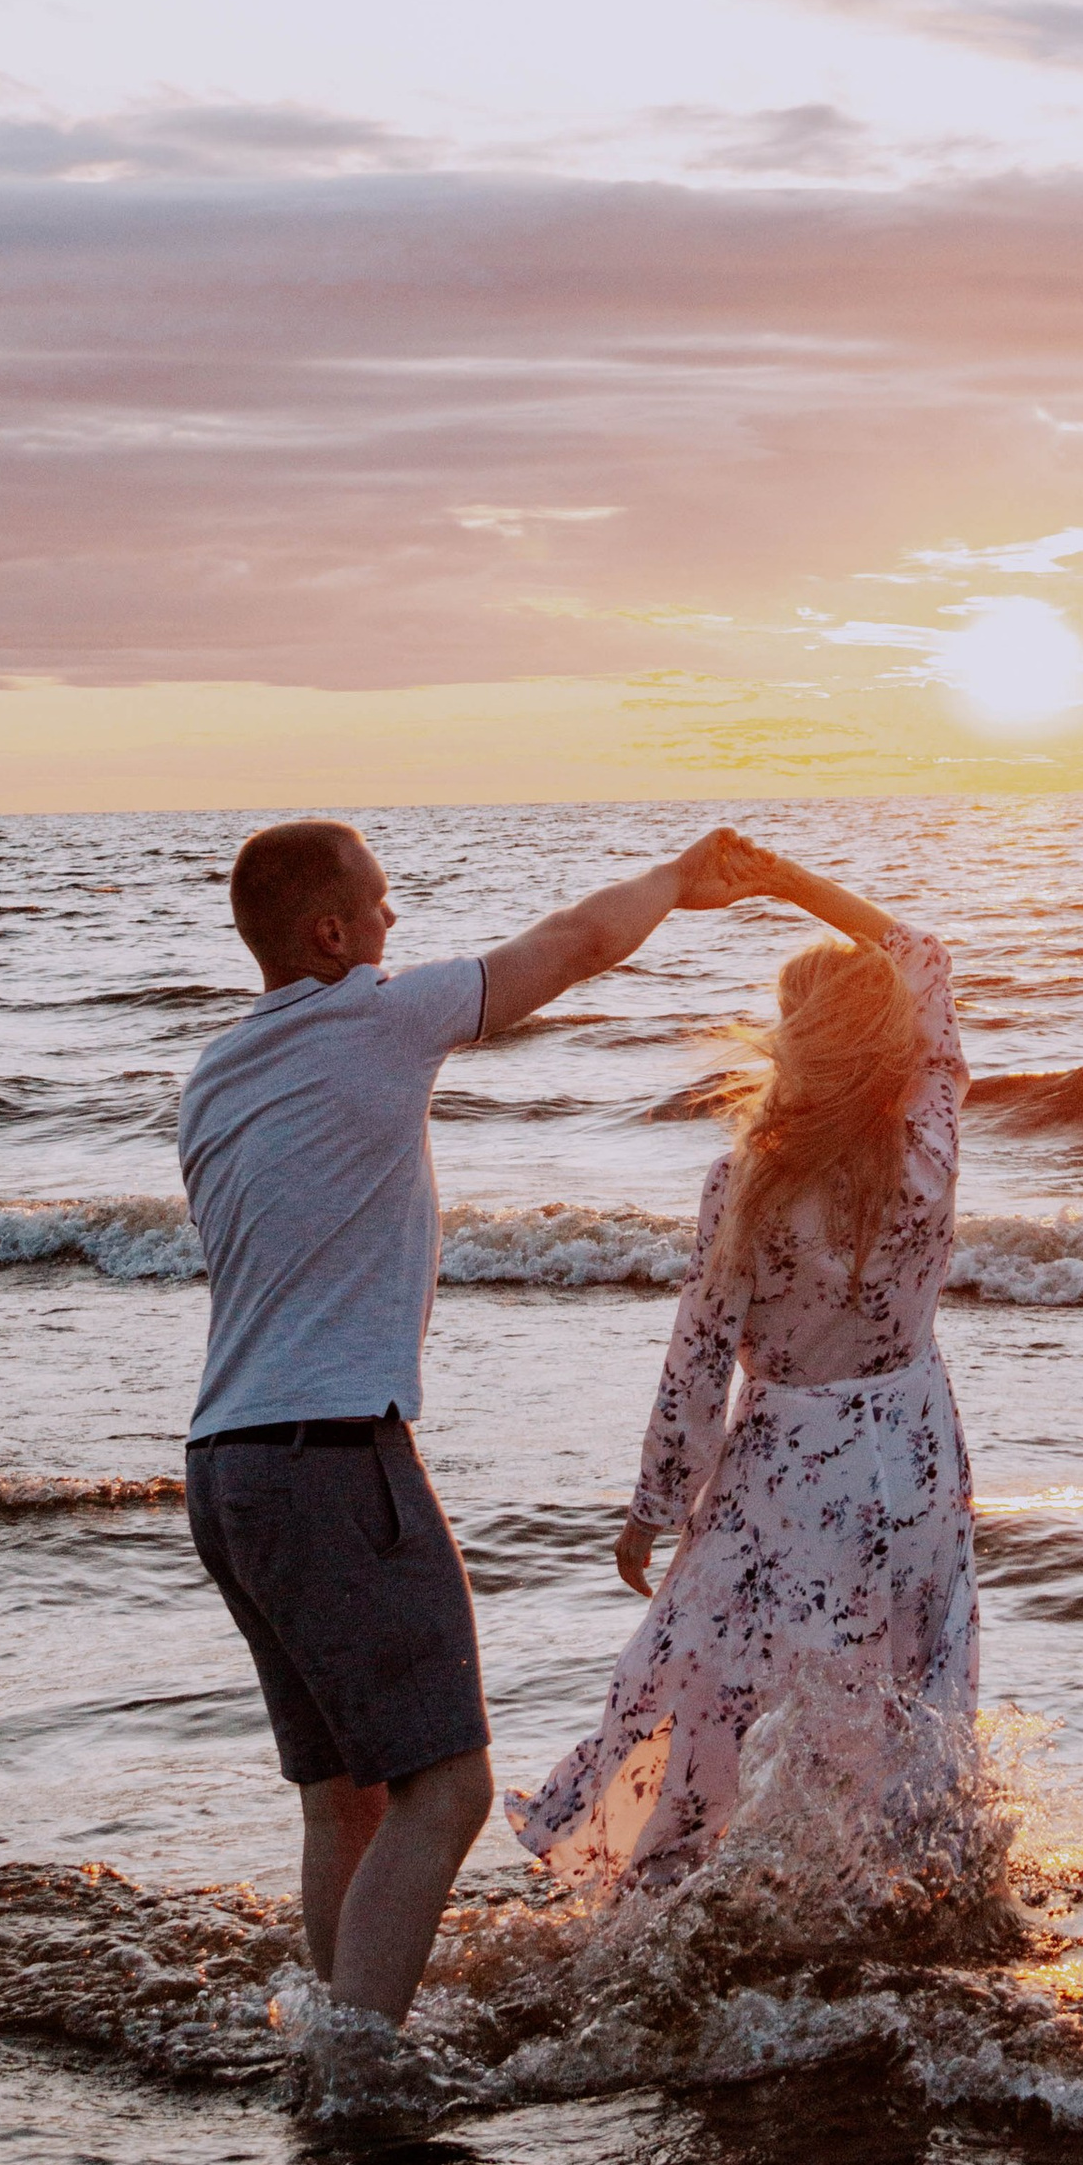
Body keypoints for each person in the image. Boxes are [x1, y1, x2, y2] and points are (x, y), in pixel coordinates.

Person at [180, 813, 762, 2025]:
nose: (393, 920)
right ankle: (357, 2065)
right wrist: (675, 877)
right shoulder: (377, 1015)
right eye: (377, 902)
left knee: (342, 1792)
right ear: (330, 933)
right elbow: (574, 943)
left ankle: (336, 2032)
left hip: (225, 1469)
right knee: (447, 1788)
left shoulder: (215, 1076)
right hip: (334, 1456)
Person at [509, 843, 973, 1885]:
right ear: (894, 1045)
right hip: (915, 1448)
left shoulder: (748, 1182)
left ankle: (687, 1870)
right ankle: (898, 1870)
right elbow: (922, 951)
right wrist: (791, 883)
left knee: (712, 1667)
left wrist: (653, 1505)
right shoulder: (931, 1150)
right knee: (905, 1661)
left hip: (788, 1462)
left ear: (794, 1044)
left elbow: (699, 1358)